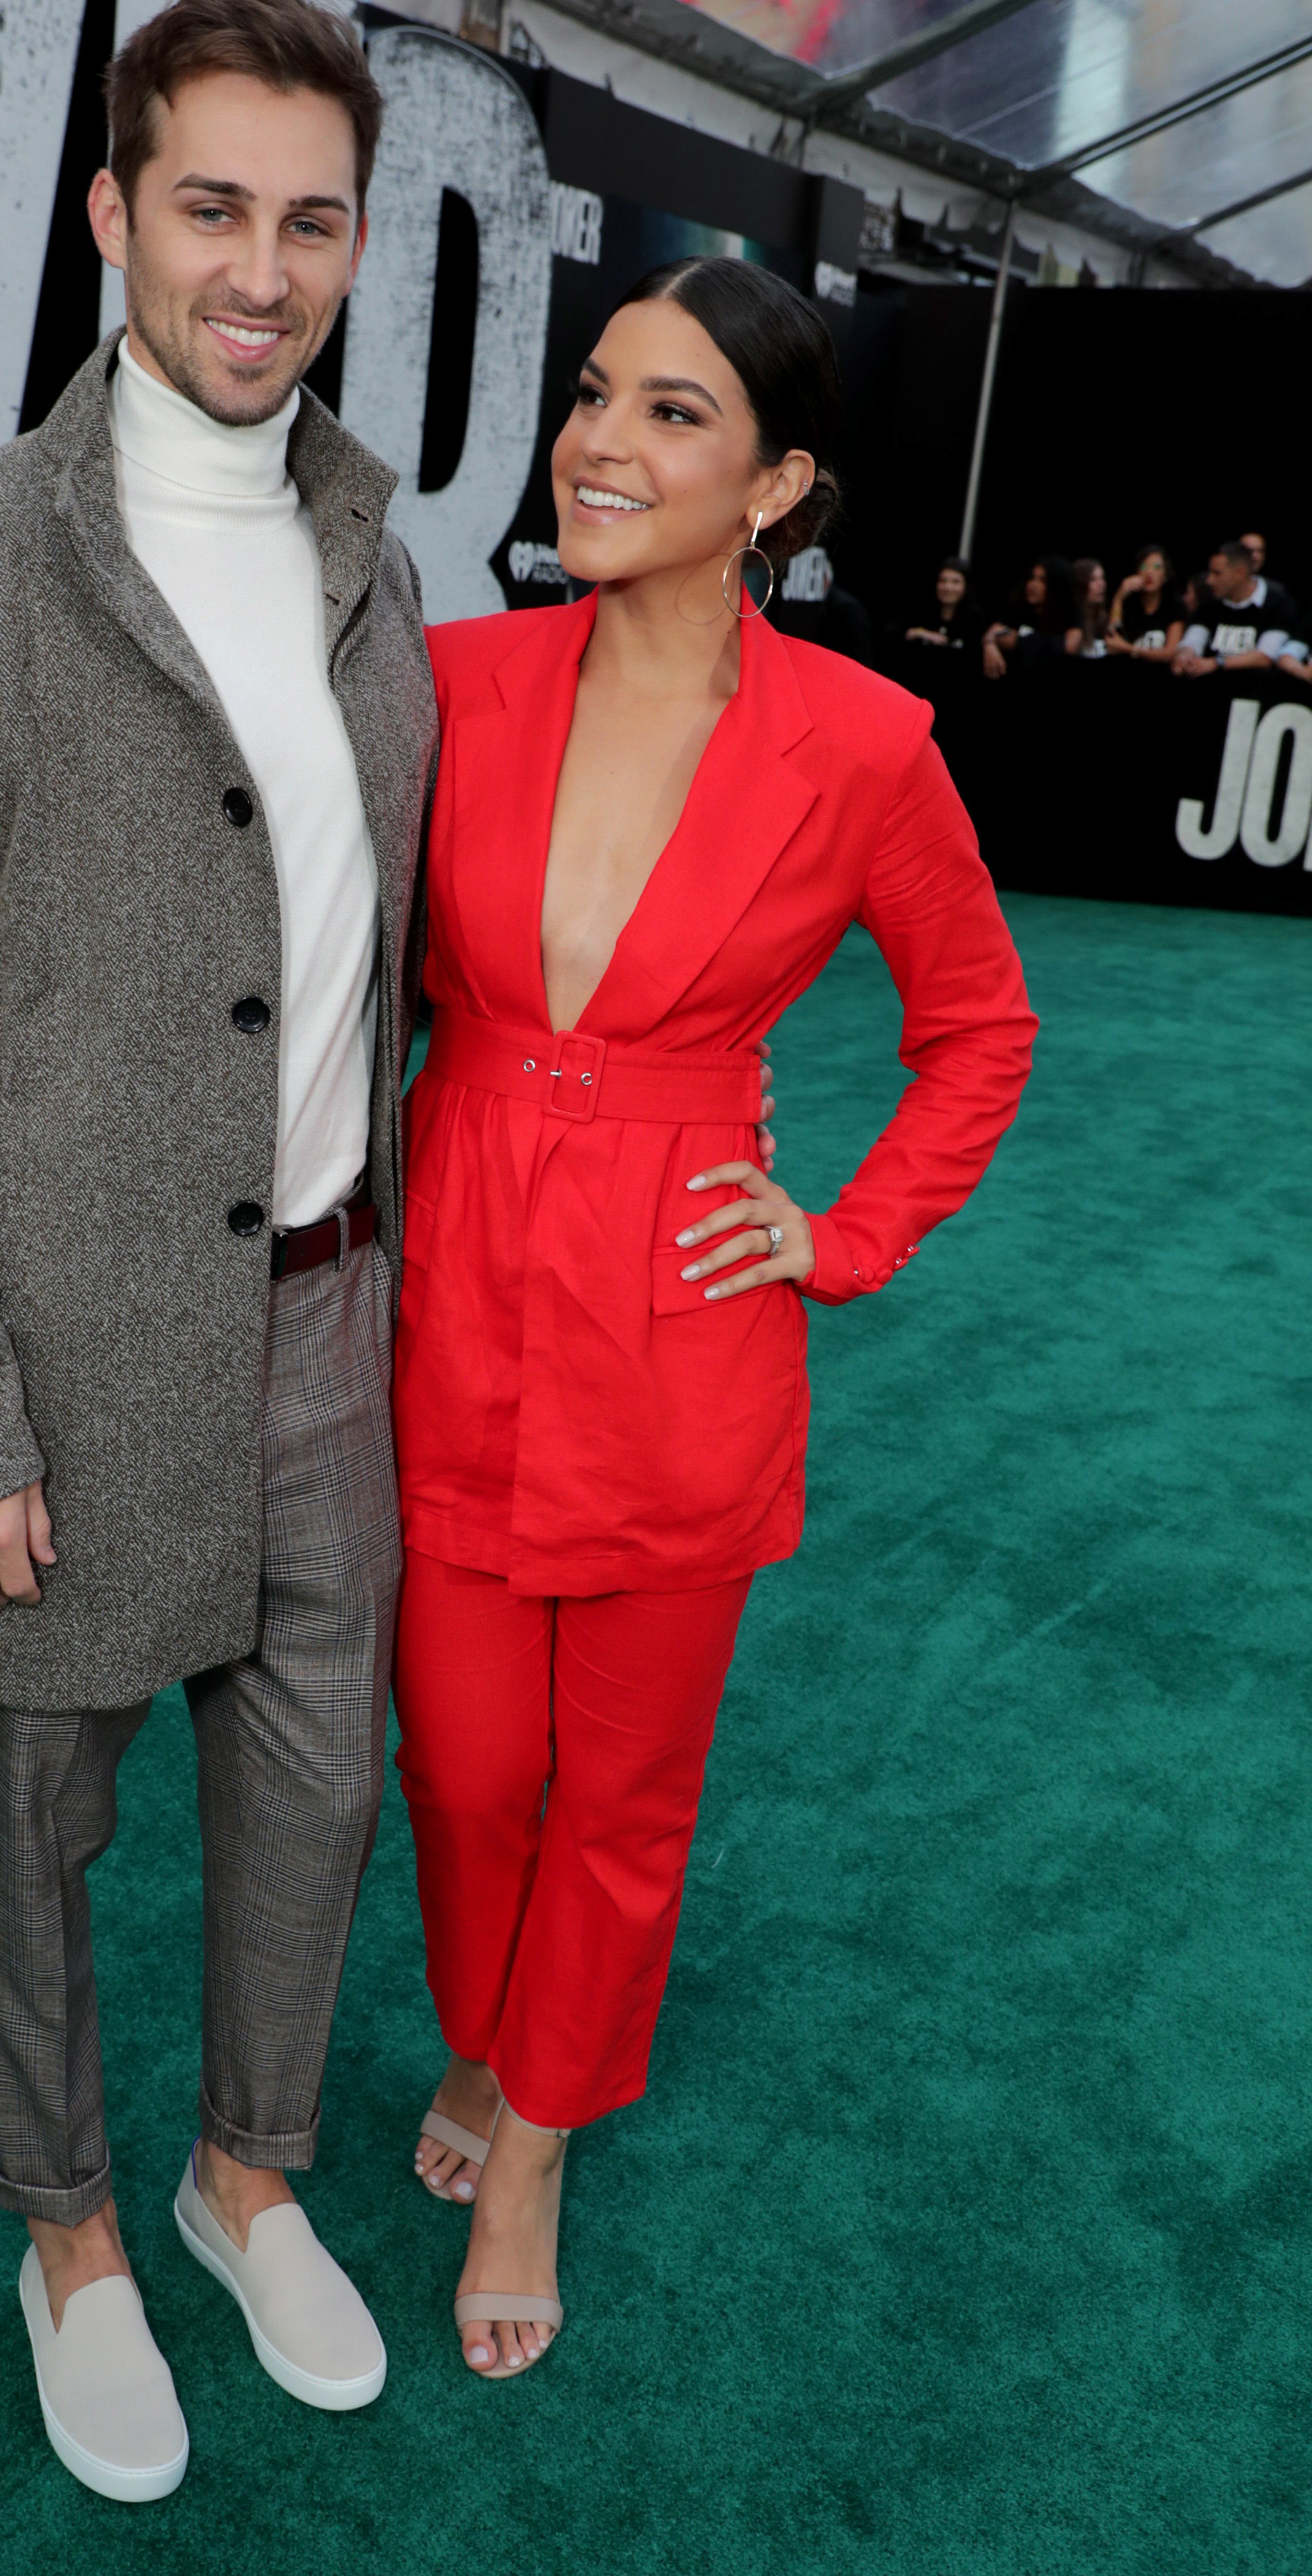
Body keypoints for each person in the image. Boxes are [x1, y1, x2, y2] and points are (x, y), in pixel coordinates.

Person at [0, 0, 439, 2503]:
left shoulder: (381, 560)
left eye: (310, 221)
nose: (258, 270)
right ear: (109, 216)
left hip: (325, 1317)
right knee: (31, 1826)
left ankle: (241, 2178)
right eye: (209, 209)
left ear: (355, 243)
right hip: (49, 1367)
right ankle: (64, 2230)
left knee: (312, 1796)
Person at [390, 258, 1036, 2382]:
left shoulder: (861, 745)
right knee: (465, 1766)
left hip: (681, 1328)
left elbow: (978, 1029)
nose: (598, 442)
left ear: (773, 486)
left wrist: (838, 1237)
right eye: (595, 393)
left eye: (673, 414)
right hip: (455, 1288)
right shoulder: (452, 679)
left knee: (621, 1793)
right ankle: (487, 2026)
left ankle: (536, 2138)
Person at [1173, 540, 1299, 674]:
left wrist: (1216, 663)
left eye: (1217, 573)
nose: (1210, 581)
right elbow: (1193, 640)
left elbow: (1266, 656)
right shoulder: (1210, 602)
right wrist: (1185, 656)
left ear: (1240, 573)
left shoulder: (1278, 603)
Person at [981, 555, 1075, 676]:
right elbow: (994, 632)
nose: (1033, 585)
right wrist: (989, 645)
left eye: (1042, 581)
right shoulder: (1019, 607)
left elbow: (1069, 647)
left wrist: (1019, 641)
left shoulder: (1070, 613)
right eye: (1032, 578)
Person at [1106, 544, 1184, 659]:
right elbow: (1112, 642)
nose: (1149, 572)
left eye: (1157, 567)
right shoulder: (1129, 604)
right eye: (1143, 567)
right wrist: (1119, 598)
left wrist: (1129, 649)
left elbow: (1170, 653)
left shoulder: (1175, 606)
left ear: (1165, 576)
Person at [900, 556, 976, 651]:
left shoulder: (975, 620)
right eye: (943, 581)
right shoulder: (921, 612)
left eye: (956, 582)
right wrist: (920, 633)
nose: (948, 588)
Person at [1068, 557, 1109, 655]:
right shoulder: (1072, 621)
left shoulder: (1102, 616)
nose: (1101, 584)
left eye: (1102, 578)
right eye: (1093, 580)